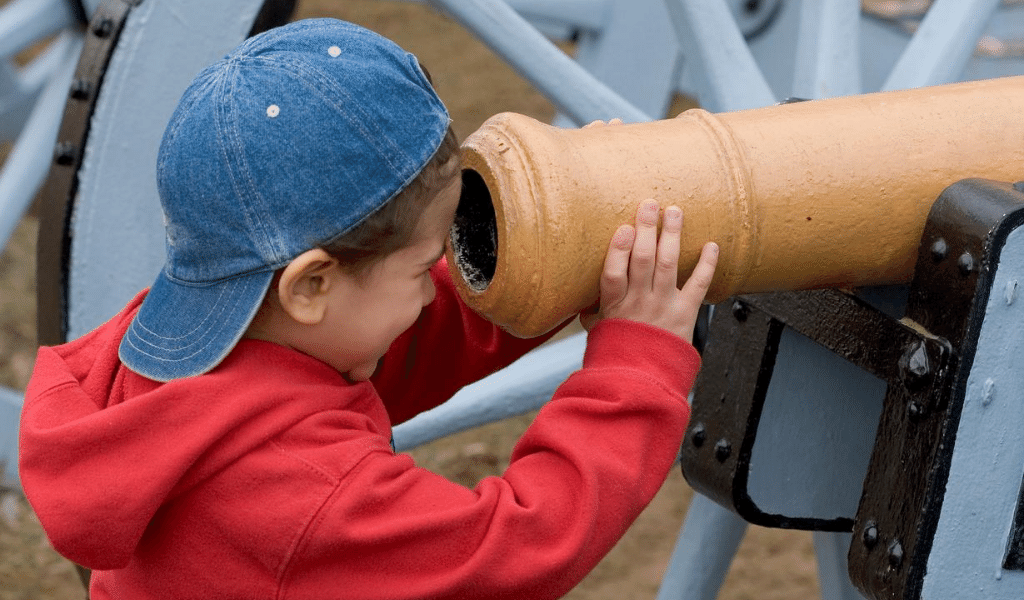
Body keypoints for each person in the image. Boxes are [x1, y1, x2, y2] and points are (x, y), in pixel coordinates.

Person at [19, 17, 719, 600]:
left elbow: (401, 343)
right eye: (424, 268)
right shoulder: (304, 494)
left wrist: (545, 264)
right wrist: (634, 364)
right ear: (310, 285)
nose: (430, 288)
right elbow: (515, 548)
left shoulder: (166, 360)